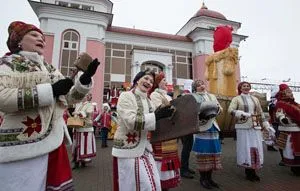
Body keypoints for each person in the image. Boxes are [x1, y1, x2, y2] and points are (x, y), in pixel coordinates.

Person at [0, 21, 100, 191]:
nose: (41, 39)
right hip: (23, 145)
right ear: (18, 41)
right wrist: (49, 91)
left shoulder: (49, 68)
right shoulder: (8, 64)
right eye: (33, 35)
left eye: (42, 37)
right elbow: (2, 96)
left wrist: (83, 81)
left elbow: (68, 99)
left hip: (54, 142)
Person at [112, 69, 175, 191]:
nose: (148, 82)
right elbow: (131, 121)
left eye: (151, 81)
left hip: (146, 148)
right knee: (136, 185)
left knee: (154, 184)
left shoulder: (149, 101)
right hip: (128, 150)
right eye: (146, 78)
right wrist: (156, 116)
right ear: (137, 80)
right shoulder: (126, 96)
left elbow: (155, 124)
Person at [228, 81, 273, 182]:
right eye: (244, 86)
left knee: (256, 146)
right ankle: (248, 170)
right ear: (240, 88)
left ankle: (254, 168)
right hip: (243, 126)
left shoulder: (255, 99)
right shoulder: (236, 99)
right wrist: (242, 113)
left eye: (248, 86)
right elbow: (230, 110)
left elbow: (260, 112)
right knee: (245, 147)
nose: (246, 87)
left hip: (255, 126)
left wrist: (265, 122)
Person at [150, 72, 180, 190]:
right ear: (158, 83)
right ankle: (160, 184)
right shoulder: (155, 95)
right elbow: (159, 110)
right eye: (163, 81)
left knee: (169, 157)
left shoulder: (167, 95)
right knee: (161, 158)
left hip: (169, 131)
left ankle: (166, 184)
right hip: (161, 131)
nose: (166, 83)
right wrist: (174, 103)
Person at [191, 80, 223, 189]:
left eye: (203, 84)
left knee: (212, 153)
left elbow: (220, 108)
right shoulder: (193, 97)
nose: (202, 86)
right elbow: (192, 112)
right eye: (198, 85)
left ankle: (209, 178)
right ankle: (203, 179)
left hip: (213, 126)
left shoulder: (212, 96)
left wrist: (216, 110)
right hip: (202, 127)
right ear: (195, 88)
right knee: (203, 153)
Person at [275, 84, 300, 175]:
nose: (291, 93)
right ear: (283, 93)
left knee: (298, 148)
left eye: (291, 92)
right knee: (290, 149)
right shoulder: (280, 103)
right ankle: (295, 168)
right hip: (289, 129)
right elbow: (279, 114)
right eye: (288, 92)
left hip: (298, 129)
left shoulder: (295, 104)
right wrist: (283, 119)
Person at [72, 93, 97, 169]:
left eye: (88, 96)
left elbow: (87, 114)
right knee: (76, 145)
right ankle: (76, 162)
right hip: (78, 128)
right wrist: (75, 114)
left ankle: (82, 162)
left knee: (83, 146)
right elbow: (76, 115)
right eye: (85, 96)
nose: (86, 97)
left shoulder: (90, 105)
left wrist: (78, 113)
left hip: (85, 129)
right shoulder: (79, 104)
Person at [180, 89, 196, 179]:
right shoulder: (182, 105)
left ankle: (186, 167)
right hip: (184, 130)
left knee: (188, 148)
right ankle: (183, 169)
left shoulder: (188, 105)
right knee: (186, 149)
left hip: (188, 130)